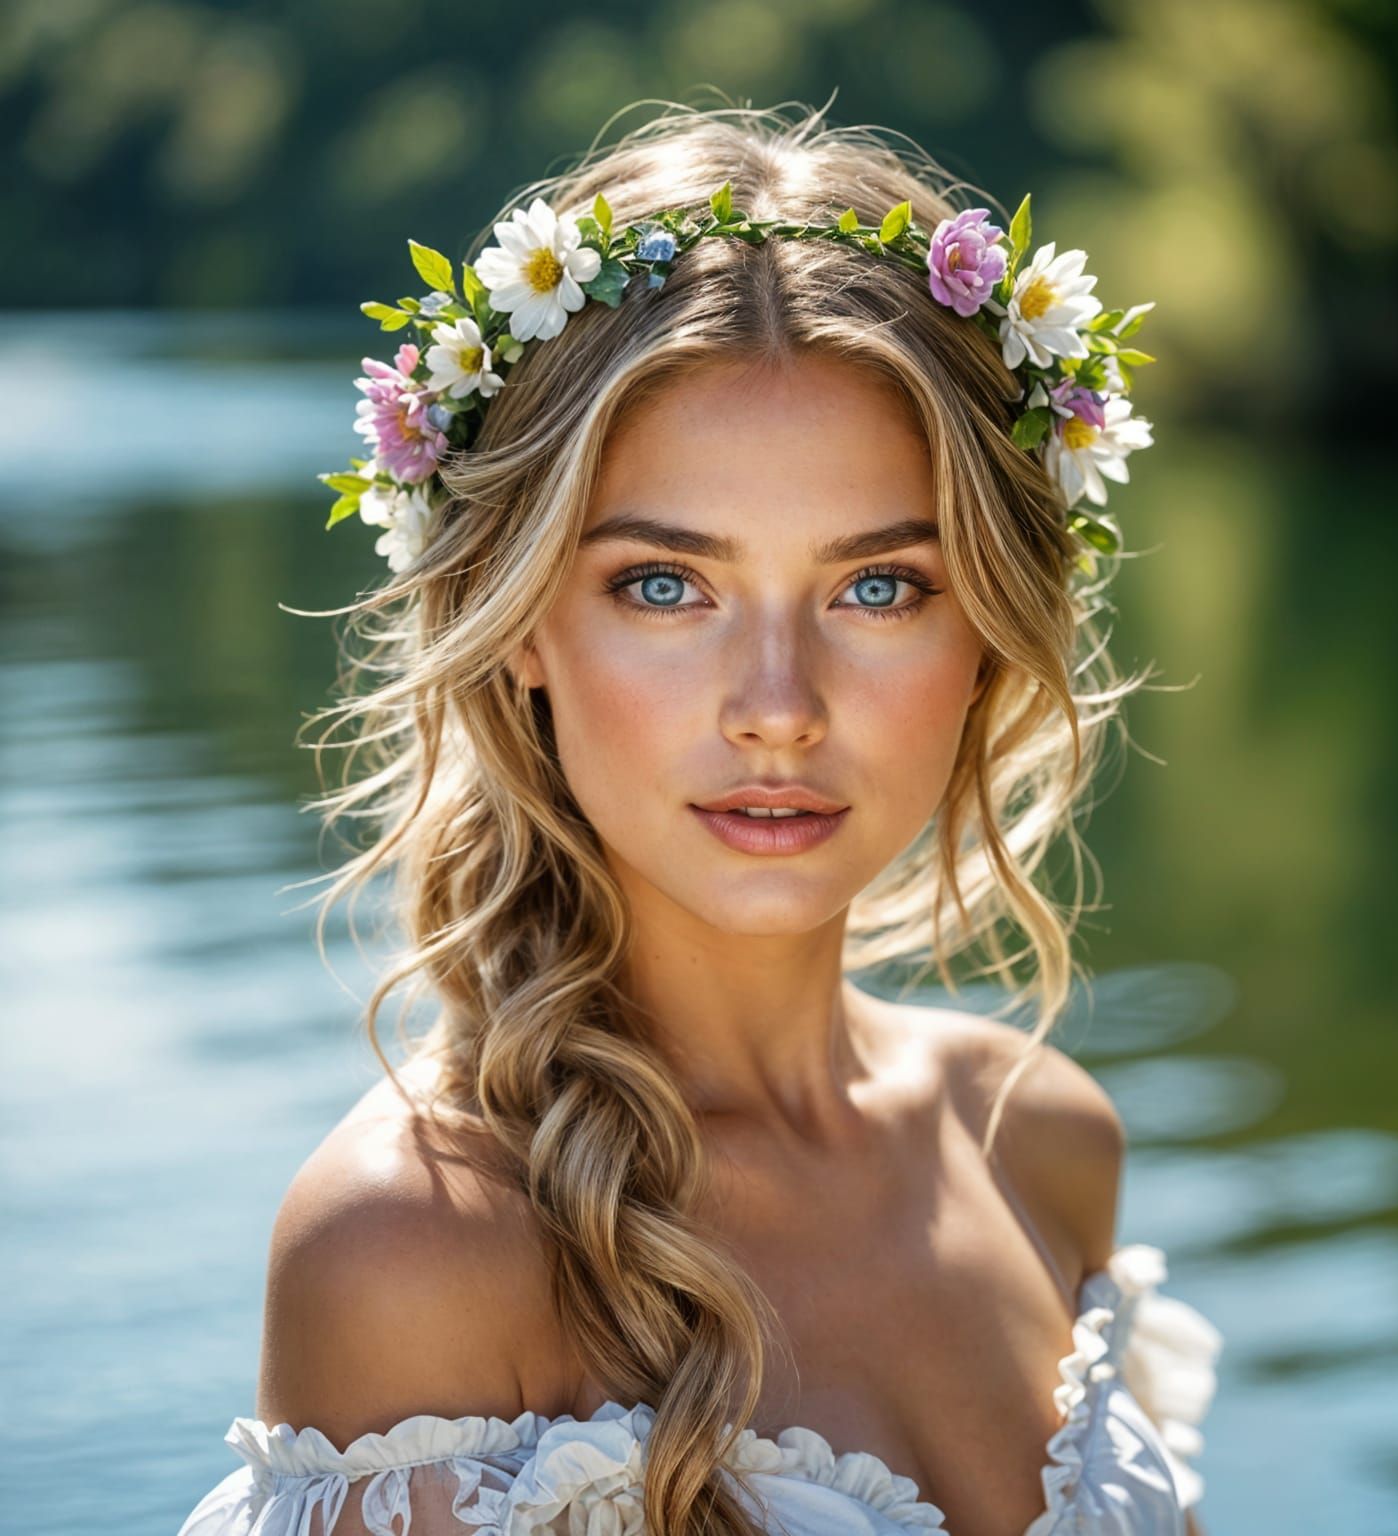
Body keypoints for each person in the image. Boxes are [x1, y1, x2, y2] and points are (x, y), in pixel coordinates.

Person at [175, 99, 1222, 1536]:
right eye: (666, 586)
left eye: (879, 587)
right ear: (523, 621)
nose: (779, 707)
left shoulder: (1041, 1142)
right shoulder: (416, 1252)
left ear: (984, 625)